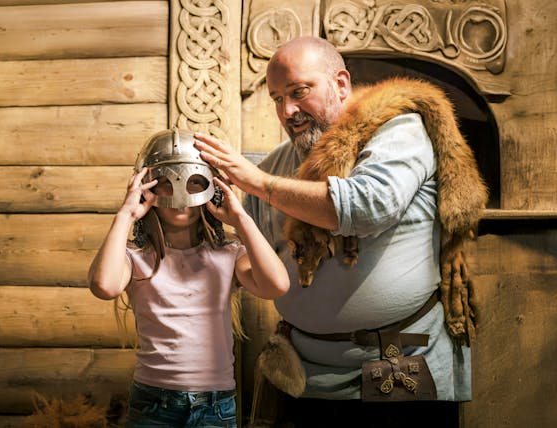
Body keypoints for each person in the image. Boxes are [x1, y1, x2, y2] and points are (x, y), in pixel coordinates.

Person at [194, 36, 487, 426]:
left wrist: (259, 183)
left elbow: (367, 206)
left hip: (397, 362)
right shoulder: (280, 162)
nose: (288, 111)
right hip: (304, 373)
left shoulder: (400, 131)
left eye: (299, 92)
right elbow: (250, 239)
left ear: (341, 84)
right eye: (277, 98)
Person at [88, 127, 290, 428]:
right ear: (147, 187)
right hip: (153, 403)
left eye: (195, 182)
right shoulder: (134, 256)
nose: (181, 197)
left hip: (215, 405)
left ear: (213, 186)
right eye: (167, 184)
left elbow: (277, 285)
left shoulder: (229, 253)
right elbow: (104, 286)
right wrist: (125, 215)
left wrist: (242, 219)